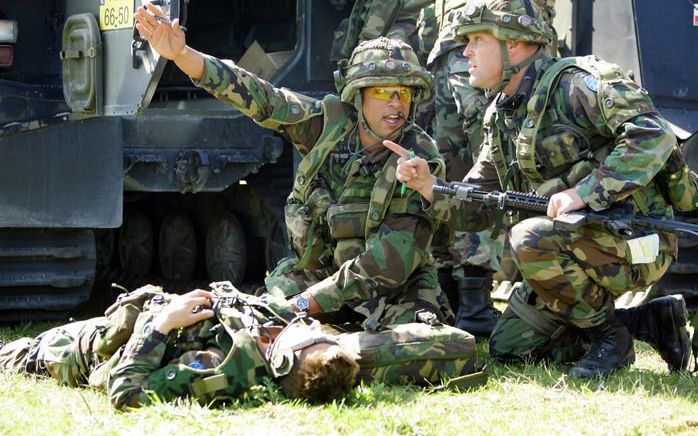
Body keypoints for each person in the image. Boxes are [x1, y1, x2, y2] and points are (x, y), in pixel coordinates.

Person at [389, 0, 692, 377]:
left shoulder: (576, 84)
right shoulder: (503, 115)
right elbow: (479, 204)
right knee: (510, 348)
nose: (464, 51)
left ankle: (609, 337)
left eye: (476, 39)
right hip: (579, 241)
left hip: (640, 239)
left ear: (513, 44)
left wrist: (582, 193)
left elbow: (654, 135)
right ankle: (648, 322)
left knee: (527, 237)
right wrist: (429, 187)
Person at [134, 4, 453, 330]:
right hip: (321, 278)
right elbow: (260, 96)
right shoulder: (327, 128)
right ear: (358, 95)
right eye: (384, 91)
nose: (396, 104)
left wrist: (302, 305)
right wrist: (182, 54)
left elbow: (389, 264)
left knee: (411, 346)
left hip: (393, 293)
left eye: (404, 93)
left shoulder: (417, 160)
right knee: (255, 322)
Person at [0, 287, 359, 409]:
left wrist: (163, 323)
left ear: (282, 360)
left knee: (13, 355)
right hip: (109, 328)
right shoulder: (271, 335)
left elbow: (126, 393)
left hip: (74, 352)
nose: (309, 324)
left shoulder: (215, 369)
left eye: (307, 334)